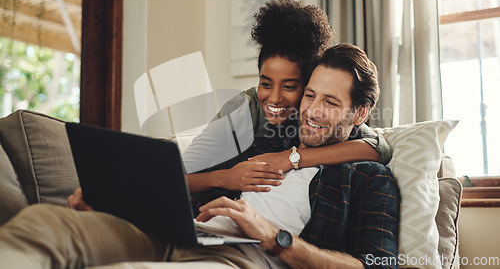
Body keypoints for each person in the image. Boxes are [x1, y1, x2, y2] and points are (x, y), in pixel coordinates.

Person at [0, 43, 400, 268]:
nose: (311, 110)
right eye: (309, 95)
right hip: (184, 234)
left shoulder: (368, 178)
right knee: (46, 222)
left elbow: (375, 266)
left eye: (329, 101)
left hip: (244, 260)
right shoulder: (266, 140)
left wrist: (272, 236)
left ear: (360, 112)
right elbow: (184, 185)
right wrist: (115, 202)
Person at [182, 0, 392, 195]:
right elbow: (177, 176)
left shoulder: (317, 115)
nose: (274, 98)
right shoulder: (243, 109)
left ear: (308, 84)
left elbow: (378, 149)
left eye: (289, 87)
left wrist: (291, 158)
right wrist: (226, 178)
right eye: (265, 84)